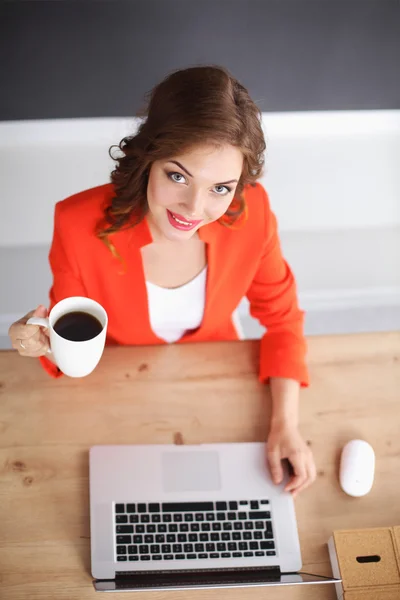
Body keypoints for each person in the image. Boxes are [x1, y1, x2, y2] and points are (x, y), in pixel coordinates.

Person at [8, 65, 316, 497]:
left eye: (221, 188)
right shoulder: (77, 223)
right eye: (178, 176)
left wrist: (286, 425)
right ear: (149, 156)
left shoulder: (254, 214)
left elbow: (283, 322)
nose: (194, 207)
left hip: (217, 372)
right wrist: (42, 342)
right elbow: (71, 342)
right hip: (118, 383)